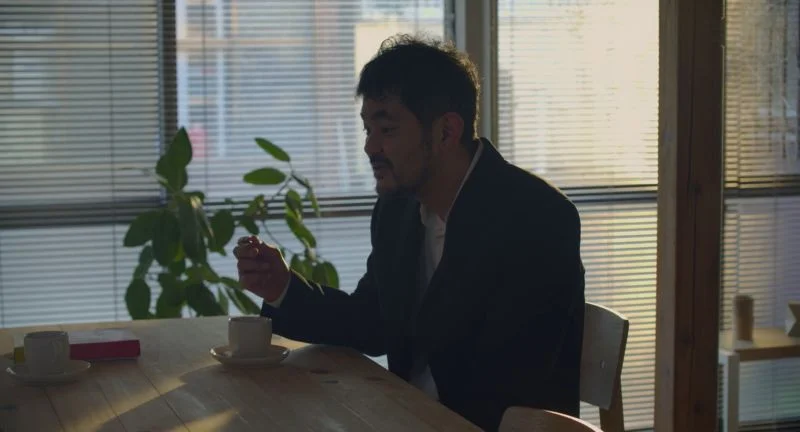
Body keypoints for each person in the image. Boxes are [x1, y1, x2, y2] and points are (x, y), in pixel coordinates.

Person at [234, 34, 585, 432]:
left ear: (446, 132)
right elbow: (372, 322)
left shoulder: (537, 218)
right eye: (367, 129)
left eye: (387, 130)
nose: (370, 148)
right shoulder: (398, 209)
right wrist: (282, 288)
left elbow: (507, 382)